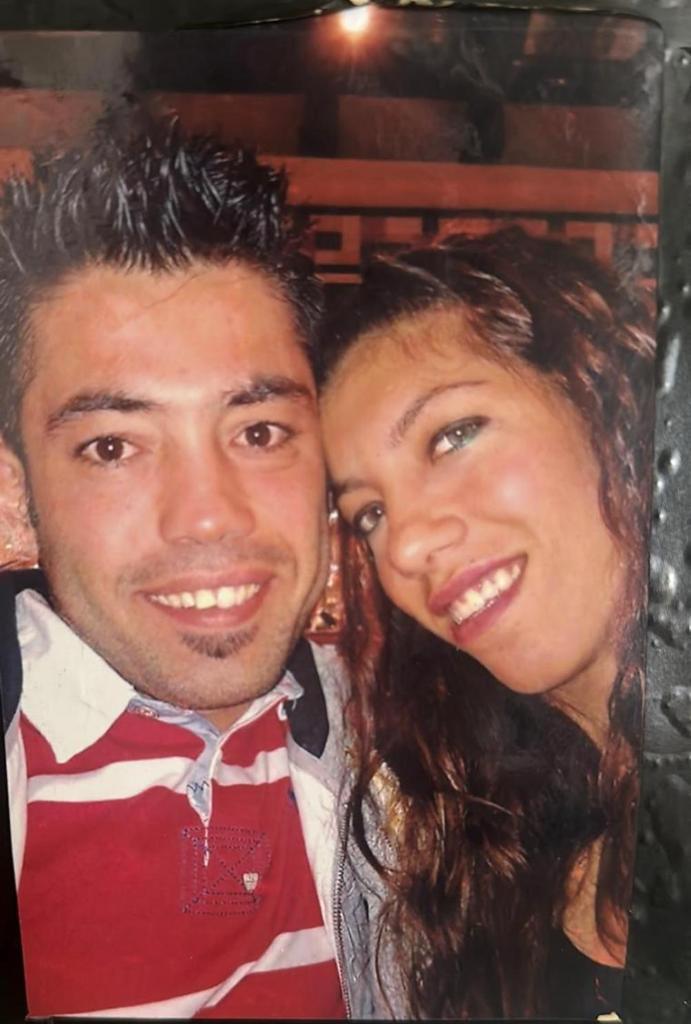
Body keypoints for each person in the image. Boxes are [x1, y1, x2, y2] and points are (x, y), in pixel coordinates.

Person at [0, 112, 371, 1019]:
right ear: (15, 495)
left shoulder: (423, 749)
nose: (208, 513)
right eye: (113, 447)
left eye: (258, 432)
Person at [318, 228, 654, 1018]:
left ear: (603, 400)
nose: (405, 546)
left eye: (452, 436)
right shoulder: (515, 839)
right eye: (368, 513)